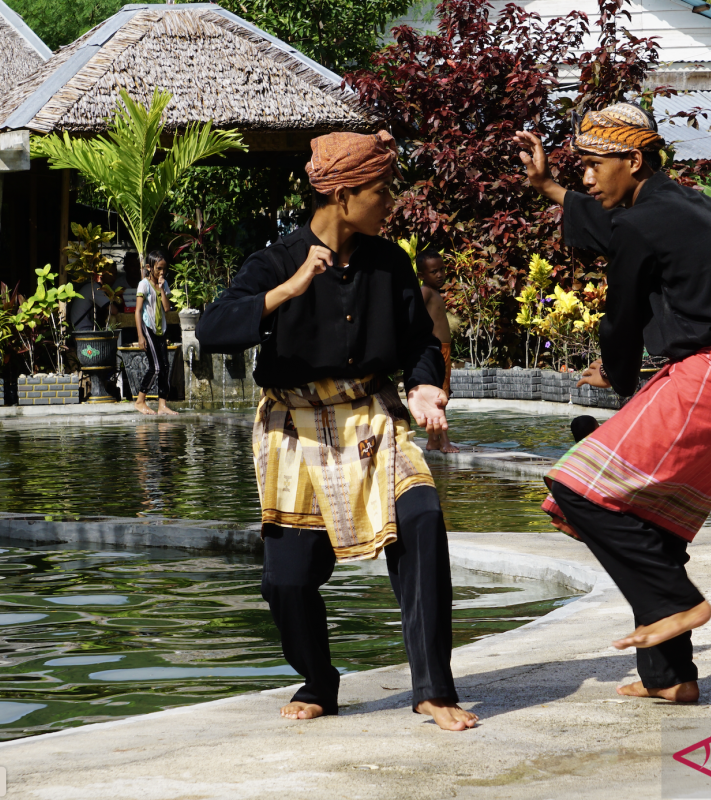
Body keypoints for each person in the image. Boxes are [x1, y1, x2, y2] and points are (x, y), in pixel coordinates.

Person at [195, 130, 476, 732]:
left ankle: (432, 688)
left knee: (422, 522)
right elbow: (214, 329)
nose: (390, 202)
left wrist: (426, 383)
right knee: (286, 580)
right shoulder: (274, 260)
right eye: (381, 190)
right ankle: (319, 679)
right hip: (295, 428)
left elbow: (422, 340)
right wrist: (290, 288)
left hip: (373, 417)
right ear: (344, 195)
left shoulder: (389, 260)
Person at [515, 102, 711, 704]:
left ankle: (679, 603)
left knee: (576, 489)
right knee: (650, 522)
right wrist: (548, 187)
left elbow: (621, 318)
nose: (585, 177)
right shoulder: (691, 204)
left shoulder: (641, 223)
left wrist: (620, 376)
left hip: (707, 370)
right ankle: (672, 678)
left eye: (594, 164)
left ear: (632, 159)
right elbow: (620, 228)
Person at [416, 250, 459, 453]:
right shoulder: (425, 292)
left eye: (442, 269)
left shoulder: (434, 293)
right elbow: (413, 315)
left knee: (441, 395)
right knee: (440, 396)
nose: (440, 274)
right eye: (434, 271)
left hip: (443, 350)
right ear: (422, 275)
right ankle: (444, 442)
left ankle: (433, 440)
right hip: (437, 351)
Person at [135, 250, 178, 416]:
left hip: (161, 328)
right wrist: (140, 335)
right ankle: (140, 400)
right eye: (158, 268)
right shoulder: (143, 285)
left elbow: (167, 308)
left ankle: (162, 405)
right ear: (149, 267)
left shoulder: (164, 284)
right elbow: (138, 311)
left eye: (164, 269)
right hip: (148, 327)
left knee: (165, 367)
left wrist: (161, 288)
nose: (161, 272)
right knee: (156, 367)